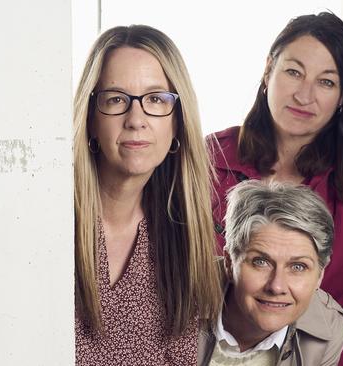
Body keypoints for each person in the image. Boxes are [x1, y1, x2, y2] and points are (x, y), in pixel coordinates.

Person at [208, 12, 343, 365]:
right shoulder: (211, 156)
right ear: (268, 69)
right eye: (293, 72)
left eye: (326, 82)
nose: (304, 95)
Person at [73, 25, 222, 365]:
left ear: (177, 123)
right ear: (91, 119)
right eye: (116, 99)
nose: (136, 119)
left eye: (156, 99)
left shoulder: (181, 236)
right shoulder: (51, 219)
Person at [199, 180, 343, 365]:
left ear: (319, 275)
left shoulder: (328, 330)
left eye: (298, 267)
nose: (277, 286)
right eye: (261, 262)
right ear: (230, 263)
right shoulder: (171, 297)